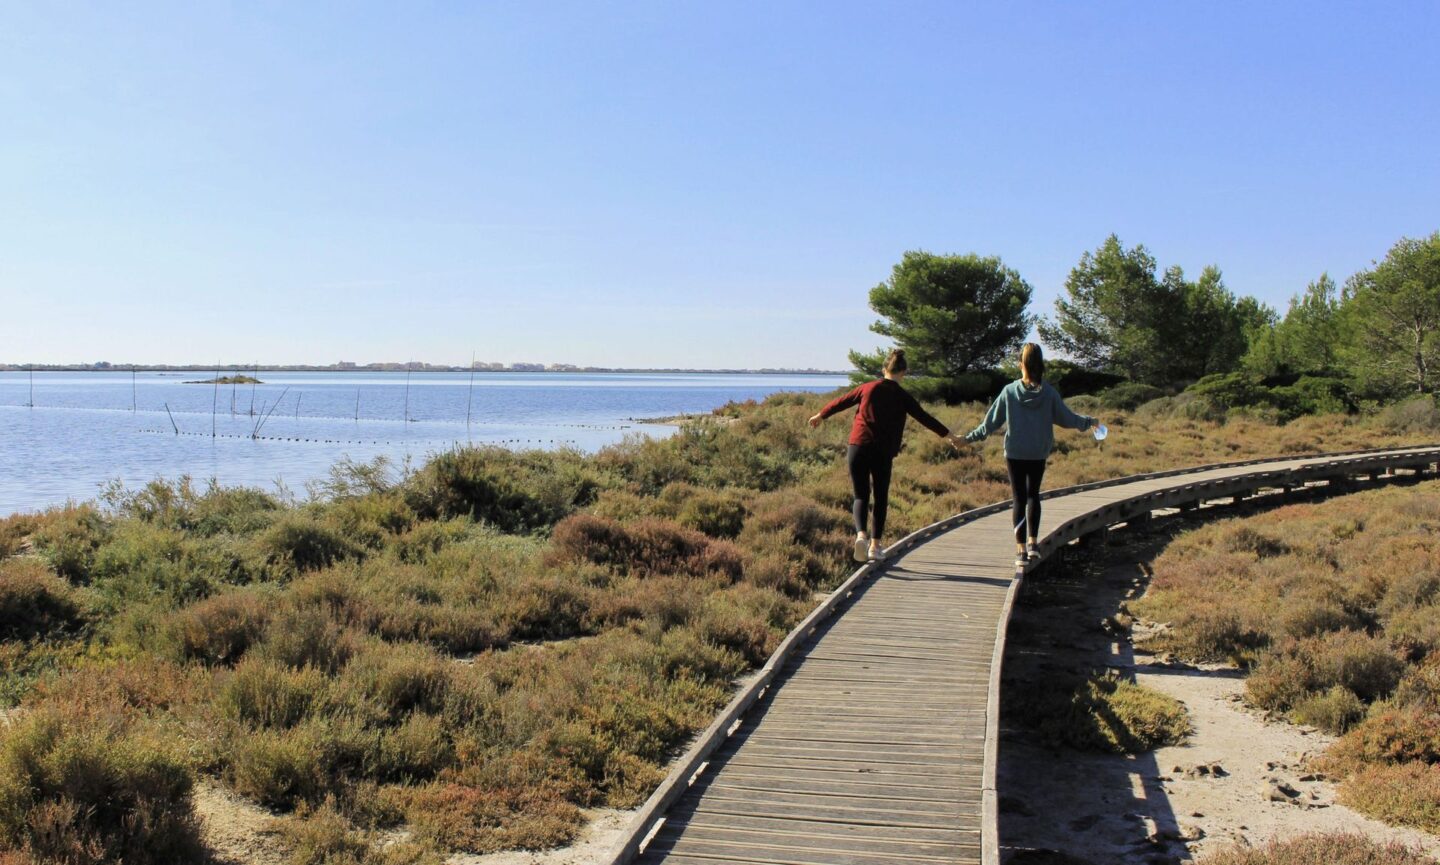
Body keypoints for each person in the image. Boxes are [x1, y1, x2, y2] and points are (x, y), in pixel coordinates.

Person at [809, 349, 960, 562]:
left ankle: (861, 535)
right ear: (904, 372)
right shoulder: (902, 396)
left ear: (883, 370)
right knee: (880, 497)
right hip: (882, 450)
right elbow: (924, 418)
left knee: (860, 495)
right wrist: (950, 435)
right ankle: (875, 547)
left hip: (858, 446)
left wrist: (820, 415)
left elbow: (842, 401)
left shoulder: (867, 388)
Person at [964, 343, 1099, 568]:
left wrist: (967, 438)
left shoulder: (1009, 391)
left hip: (1015, 452)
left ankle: (1020, 552)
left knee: (1018, 498)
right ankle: (1033, 544)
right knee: (1033, 495)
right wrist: (1090, 421)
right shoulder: (1049, 393)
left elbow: (989, 425)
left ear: (1021, 365)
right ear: (1040, 365)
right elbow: (1067, 418)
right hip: (1038, 452)